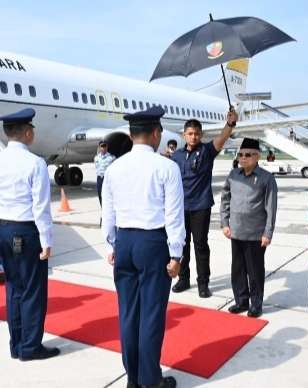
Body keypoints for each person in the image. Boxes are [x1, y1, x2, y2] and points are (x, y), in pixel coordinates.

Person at [102, 106, 184, 388]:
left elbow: (108, 213)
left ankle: (133, 379)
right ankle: (151, 380)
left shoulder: (114, 167)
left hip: (124, 240)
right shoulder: (167, 167)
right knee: (151, 314)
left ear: (131, 134)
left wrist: (112, 243)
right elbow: (174, 215)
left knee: (128, 313)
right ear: (156, 133)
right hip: (152, 243)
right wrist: (176, 254)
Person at [0, 108, 58, 361]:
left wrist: (1, 226)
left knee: (13, 288)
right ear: (27, 132)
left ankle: (16, 344)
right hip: (27, 231)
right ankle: (30, 347)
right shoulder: (35, 163)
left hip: (3, 228)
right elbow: (41, 206)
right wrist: (47, 240)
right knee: (33, 290)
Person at [170, 108, 237, 297]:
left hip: (200, 206)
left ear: (201, 135)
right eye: (190, 134)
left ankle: (203, 283)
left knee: (200, 245)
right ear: (184, 135)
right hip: (180, 208)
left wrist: (230, 124)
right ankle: (183, 279)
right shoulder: (176, 156)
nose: (193, 137)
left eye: (197, 134)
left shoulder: (207, 151)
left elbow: (222, 138)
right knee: (182, 244)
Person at [220, 138, 278, 318]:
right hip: (236, 231)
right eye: (240, 155)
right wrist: (224, 223)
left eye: (247, 155)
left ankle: (256, 304)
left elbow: (271, 207)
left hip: (255, 234)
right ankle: (241, 301)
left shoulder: (266, 178)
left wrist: (268, 233)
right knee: (237, 270)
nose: (243, 158)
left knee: (255, 271)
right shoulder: (233, 175)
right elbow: (225, 199)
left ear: (257, 156)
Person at [94, 141, 116, 206]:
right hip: (99, 178)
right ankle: (103, 211)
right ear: (99, 147)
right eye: (102, 146)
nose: (103, 148)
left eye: (105, 146)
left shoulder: (112, 158)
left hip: (108, 178)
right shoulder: (96, 158)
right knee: (100, 195)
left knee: (108, 195)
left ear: (107, 147)